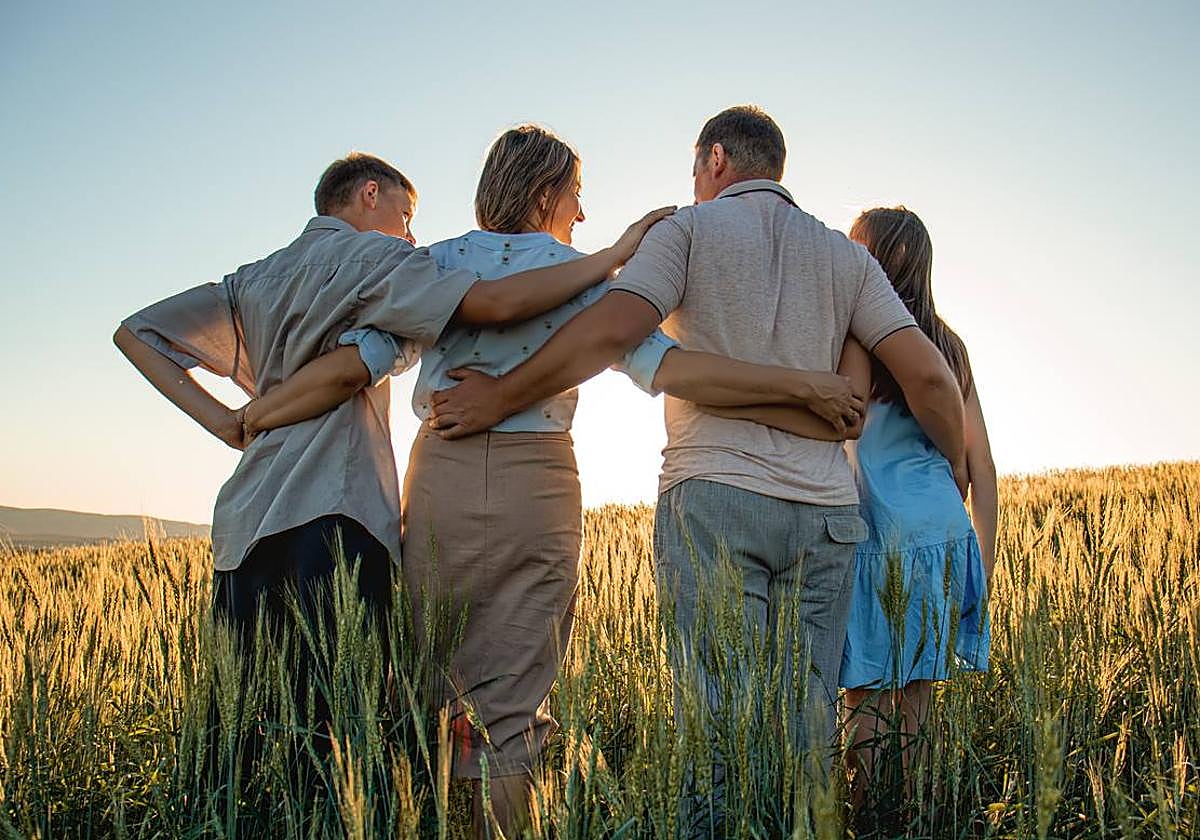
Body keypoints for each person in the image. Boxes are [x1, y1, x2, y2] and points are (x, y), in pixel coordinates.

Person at [242, 124, 864, 839]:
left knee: (436, 692)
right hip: (537, 484)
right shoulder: (587, 280)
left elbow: (363, 359)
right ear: (545, 196)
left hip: (439, 472)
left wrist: (255, 415)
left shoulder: (438, 264)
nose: (583, 213)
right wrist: (804, 393)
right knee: (512, 705)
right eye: (576, 195)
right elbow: (668, 370)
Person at [426, 106, 968, 834]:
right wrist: (954, 476)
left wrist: (501, 394)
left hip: (714, 496)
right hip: (826, 515)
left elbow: (617, 332)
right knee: (808, 724)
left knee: (716, 725)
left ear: (716, 160)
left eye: (694, 168)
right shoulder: (847, 257)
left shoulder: (686, 229)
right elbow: (930, 380)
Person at [113, 151, 674, 734]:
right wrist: (611, 259)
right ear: (370, 195)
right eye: (405, 216)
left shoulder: (251, 278)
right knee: (341, 725)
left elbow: (136, 334)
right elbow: (493, 307)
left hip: (247, 515)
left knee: (248, 722)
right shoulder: (383, 262)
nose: (411, 236)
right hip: (335, 505)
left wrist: (229, 420)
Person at [834, 207, 996, 819]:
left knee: (867, 696)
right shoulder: (949, 347)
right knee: (918, 699)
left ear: (873, 259)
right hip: (942, 536)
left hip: (876, 533)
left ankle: (870, 819)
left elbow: (837, 424)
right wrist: (982, 557)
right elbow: (983, 469)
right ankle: (919, 815)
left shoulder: (855, 337)